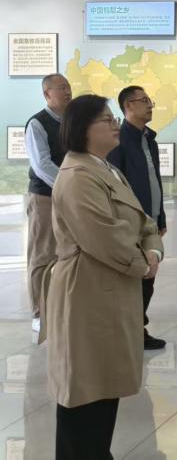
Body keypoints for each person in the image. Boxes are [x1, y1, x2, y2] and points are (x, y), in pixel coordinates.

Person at [44, 94, 163, 460]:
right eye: (107, 120)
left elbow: (143, 222)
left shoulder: (106, 169)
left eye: (114, 119)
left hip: (111, 288)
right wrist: (143, 262)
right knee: (84, 388)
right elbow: (104, 237)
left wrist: (154, 251)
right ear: (83, 129)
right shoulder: (77, 177)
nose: (115, 125)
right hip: (87, 292)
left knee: (105, 384)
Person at [107, 86, 168, 351]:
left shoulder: (149, 140)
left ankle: (137, 328)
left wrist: (160, 217)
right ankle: (130, 331)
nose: (150, 105)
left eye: (149, 100)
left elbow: (155, 181)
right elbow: (115, 186)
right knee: (133, 280)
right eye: (143, 100)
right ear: (128, 106)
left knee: (148, 279)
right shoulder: (119, 140)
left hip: (150, 222)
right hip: (131, 224)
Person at [24, 73, 71, 333]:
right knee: (42, 255)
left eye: (68, 87)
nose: (67, 91)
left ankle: (61, 308)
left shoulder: (72, 121)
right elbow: (42, 164)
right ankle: (39, 312)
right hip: (45, 197)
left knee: (68, 254)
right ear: (47, 94)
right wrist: (69, 185)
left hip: (70, 196)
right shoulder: (37, 123)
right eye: (61, 88)